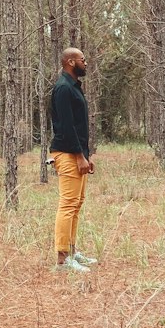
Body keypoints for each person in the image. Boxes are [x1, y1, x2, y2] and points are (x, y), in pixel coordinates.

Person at [50, 46, 97, 273]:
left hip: (77, 154)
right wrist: (79, 156)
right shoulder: (63, 89)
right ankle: (62, 259)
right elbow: (67, 128)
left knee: (76, 204)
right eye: (82, 59)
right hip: (67, 153)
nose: (85, 63)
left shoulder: (74, 87)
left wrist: (86, 157)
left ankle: (71, 250)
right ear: (70, 62)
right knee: (68, 204)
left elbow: (77, 127)